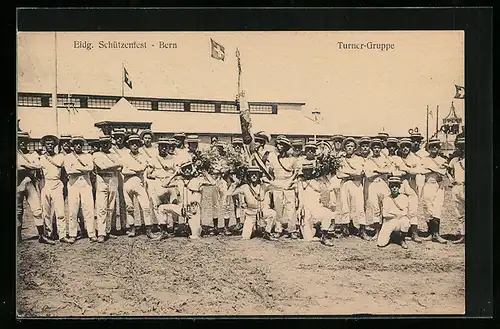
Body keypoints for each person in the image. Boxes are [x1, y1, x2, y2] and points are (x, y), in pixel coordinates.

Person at [225, 166, 289, 241]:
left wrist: (270, 182)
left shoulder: (263, 186)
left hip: (261, 212)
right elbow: (229, 193)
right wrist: (235, 183)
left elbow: (280, 187)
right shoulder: (245, 187)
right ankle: (253, 229)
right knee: (246, 237)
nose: (254, 176)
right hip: (250, 214)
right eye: (252, 174)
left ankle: (267, 232)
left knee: (273, 213)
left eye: (256, 174)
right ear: (249, 175)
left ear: (259, 175)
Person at [159, 160, 217, 239]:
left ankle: (197, 228)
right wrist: (175, 174)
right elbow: (164, 184)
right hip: (182, 209)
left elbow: (213, 183)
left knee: (194, 236)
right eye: (184, 169)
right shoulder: (179, 181)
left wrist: (204, 173)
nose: (187, 170)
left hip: (193, 211)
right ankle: (164, 232)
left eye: (189, 168)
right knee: (161, 208)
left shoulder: (197, 180)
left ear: (191, 169)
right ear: (182, 170)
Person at [121, 134, 161, 240]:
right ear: (129, 145)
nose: (134, 146)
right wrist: (136, 170)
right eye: (132, 144)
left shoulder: (143, 156)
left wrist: (132, 169)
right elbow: (124, 171)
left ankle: (148, 229)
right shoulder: (125, 156)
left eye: (136, 144)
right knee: (129, 207)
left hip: (139, 183)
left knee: (146, 206)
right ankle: (132, 228)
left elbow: (143, 167)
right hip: (127, 183)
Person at [17, 131, 49, 244]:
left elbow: (38, 165)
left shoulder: (33, 154)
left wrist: (25, 165)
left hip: (29, 182)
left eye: (24, 141)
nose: (22, 143)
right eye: (19, 141)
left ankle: (41, 235)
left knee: (37, 210)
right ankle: (18, 236)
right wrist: (29, 167)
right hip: (17, 183)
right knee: (18, 211)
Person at [64, 135, 96, 243]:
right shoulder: (68, 157)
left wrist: (78, 169)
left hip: (86, 184)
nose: (78, 146)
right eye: (76, 144)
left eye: (80, 144)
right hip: (73, 185)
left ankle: (91, 233)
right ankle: (73, 234)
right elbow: (69, 171)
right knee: (73, 210)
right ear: (73, 146)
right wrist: (83, 169)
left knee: (89, 209)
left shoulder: (88, 156)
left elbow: (90, 168)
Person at [145, 138, 180, 238]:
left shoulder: (173, 158)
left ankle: (175, 226)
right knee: (159, 206)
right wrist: (158, 177)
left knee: (174, 203)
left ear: (169, 147)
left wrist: (170, 177)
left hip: (171, 183)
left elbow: (177, 171)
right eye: (161, 146)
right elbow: (148, 174)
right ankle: (163, 228)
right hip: (158, 183)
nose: (164, 148)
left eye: (166, 146)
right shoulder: (153, 159)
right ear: (158, 147)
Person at [390, 138, 422, 243]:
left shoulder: (415, 158)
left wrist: (406, 170)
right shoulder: (396, 159)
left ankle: (414, 233)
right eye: (403, 146)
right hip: (400, 185)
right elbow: (393, 172)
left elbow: (417, 171)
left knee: (413, 209)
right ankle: (399, 232)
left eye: (407, 146)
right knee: (400, 209)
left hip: (411, 184)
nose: (405, 148)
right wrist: (405, 172)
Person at [294, 162, 334, 246]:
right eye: (305, 171)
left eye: (309, 170)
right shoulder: (299, 183)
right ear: (303, 171)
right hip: (305, 210)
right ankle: (315, 229)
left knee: (327, 213)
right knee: (308, 239)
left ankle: (324, 236)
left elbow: (327, 190)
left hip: (316, 208)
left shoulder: (317, 182)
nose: (307, 173)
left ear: (312, 171)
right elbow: (287, 186)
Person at [266, 136, 299, 239]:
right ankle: (278, 229)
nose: (280, 147)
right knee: (278, 207)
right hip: (277, 183)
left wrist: (291, 181)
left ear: (286, 147)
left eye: (282, 145)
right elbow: (270, 172)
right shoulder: (273, 157)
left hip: (288, 183)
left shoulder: (292, 160)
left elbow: (296, 172)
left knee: (291, 208)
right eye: (278, 145)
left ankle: (292, 230)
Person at [92, 136, 123, 242]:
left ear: (110, 144)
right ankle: (101, 233)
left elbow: (120, 167)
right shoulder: (96, 154)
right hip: (102, 180)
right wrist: (115, 165)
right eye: (103, 143)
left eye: (107, 143)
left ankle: (108, 231)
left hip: (113, 179)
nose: (105, 145)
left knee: (111, 206)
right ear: (100, 144)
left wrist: (111, 165)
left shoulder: (114, 154)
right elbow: (102, 167)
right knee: (101, 207)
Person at [336, 137, 367, 239]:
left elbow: (360, 173)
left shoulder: (359, 159)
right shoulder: (341, 159)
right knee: (345, 205)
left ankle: (362, 229)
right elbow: (339, 174)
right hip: (345, 183)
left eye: (351, 146)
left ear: (355, 148)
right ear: (344, 148)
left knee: (359, 206)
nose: (349, 148)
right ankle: (345, 229)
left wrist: (347, 172)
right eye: (347, 146)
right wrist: (351, 174)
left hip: (356, 184)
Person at [39, 134, 66, 243]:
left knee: (60, 212)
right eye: (47, 144)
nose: (50, 146)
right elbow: (38, 174)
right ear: (44, 146)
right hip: (46, 184)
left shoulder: (60, 157)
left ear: (55, 145)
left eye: (52, 144)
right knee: (46, 212)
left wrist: (63, 186)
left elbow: (64, 173)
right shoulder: (41, 158)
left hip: (57, 184)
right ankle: (48, 234)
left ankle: (62, 235)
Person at [420, 138, 448, 244]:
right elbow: (422, 171)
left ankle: (436, 234)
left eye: (436, 146)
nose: (434, 149)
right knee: (428, 208)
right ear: (428, 148)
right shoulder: (424, 159)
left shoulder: (442, 159)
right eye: (432, 147)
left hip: (438, 185)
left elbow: (443, 173)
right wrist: (436, 168)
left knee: (437, 208)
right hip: (428, 184)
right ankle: (431, 233)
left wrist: (432, 168)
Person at [363, 138, 392, 241]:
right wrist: (381, 171)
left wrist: (377, 170)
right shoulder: (368, 160)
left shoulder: (385, 159)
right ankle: (377, 232)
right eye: (374, 147)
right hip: (373, 185)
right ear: (372, 149)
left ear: (381, 148)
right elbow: (368, 175)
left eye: (378, 147)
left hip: (383, 184)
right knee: (375, 209)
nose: (376, 149)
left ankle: (386, 231)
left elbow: (389, 171)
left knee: (386, 208)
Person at [377, 176, 410, 249]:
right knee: (381, 243)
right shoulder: (386, 199)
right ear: (389, 188)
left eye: (396, 186)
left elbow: (405, 212)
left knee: (406, 221)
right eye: (392, 186)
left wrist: (393, 214)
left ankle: (402, 240)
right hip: (389, 221)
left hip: (400, 220)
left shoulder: (404, 197)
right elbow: (385, 214)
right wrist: (397, 214)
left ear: (399, 187)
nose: (394, 188)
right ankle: (392, 236)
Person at [447, 137, 465, 244]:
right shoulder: (454, 160)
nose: (462, 149)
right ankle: (463, 234)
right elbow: (448, 171)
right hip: (457, 187)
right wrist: (451, 179)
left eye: (464, 146)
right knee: (459, 212)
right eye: (460, 146)